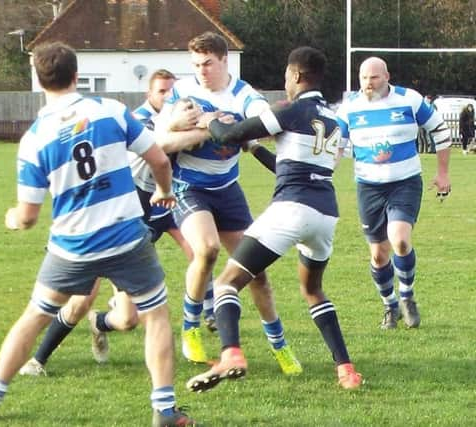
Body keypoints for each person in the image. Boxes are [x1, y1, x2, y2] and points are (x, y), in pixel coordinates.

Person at [0, 42, 197, 427]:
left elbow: (27, 218)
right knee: (155, 316)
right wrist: (165, 192)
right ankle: (164, 410)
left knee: (33, 317)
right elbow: (157, 159)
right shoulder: (111, 110)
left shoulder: (34, 139)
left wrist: (10, 219)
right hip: (125, 237)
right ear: (76, 75)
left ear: (39, 81)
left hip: (73, 247)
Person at [185, 46, 362, 393]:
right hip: (325, 214)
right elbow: (290, 165)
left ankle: (231, 353)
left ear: (296, 75)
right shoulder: (331, 119)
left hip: (292, 209)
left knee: (226, 283)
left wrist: (210, 122)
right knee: (313, 290)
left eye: (285, 76)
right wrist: (257, 151)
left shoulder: (292, 110)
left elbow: (229, 135)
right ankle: (346, 370)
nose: (285, 82)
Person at [18, 69, 215, 376]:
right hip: (112, 213)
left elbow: (180, 143)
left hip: (155, 210)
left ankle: (101, 323)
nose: (168, 97)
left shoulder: (177, 120)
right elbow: (161, 144)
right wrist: (209, 129)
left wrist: (208, 126)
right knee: (82, 299)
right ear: (149, 94)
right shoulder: (136, 118)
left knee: (128, 318)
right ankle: (37, 360)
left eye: (171, 93)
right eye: (161, 91)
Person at [153, 31, 301, 374]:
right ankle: (190, 327)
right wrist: (211, 128)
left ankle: (280, 345)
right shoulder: (182, 93)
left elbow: (259, 127)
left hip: (228, 189)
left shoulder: (244, 94)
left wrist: (224, 125)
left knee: (257, 274)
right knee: (206, 250)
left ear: (224, 61)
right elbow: (160, 142)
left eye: (207, 63)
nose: (201, 71)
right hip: (189, 186)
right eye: (196, 65)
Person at [336, 57, 452, 330]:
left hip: (405, 182)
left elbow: (440, 130)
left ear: (386, 76)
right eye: (364, 78)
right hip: (368, 187)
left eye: (374, 77)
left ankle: (407, 296)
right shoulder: (350, 107)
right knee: (378, 255)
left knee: (399, 240)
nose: (368, 83)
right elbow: (336, 147)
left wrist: (443, 173)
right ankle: (389, 305)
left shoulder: (409, 99)